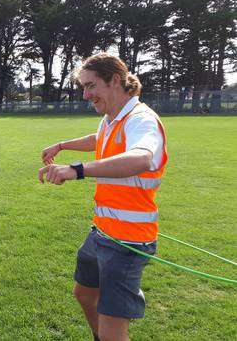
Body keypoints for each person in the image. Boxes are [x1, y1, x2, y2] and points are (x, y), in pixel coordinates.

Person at [38, 53, 167, 341]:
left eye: (91, 85)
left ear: (115, 81)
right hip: (102, 231)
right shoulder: (112, 118)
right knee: (84, 294)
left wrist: (76, 170)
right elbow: (100, 139)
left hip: (128, 242)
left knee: (113, 328)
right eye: (83, 87)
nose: (86, 94)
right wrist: (62, 145)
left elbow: (139, 158)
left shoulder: (142, 119)